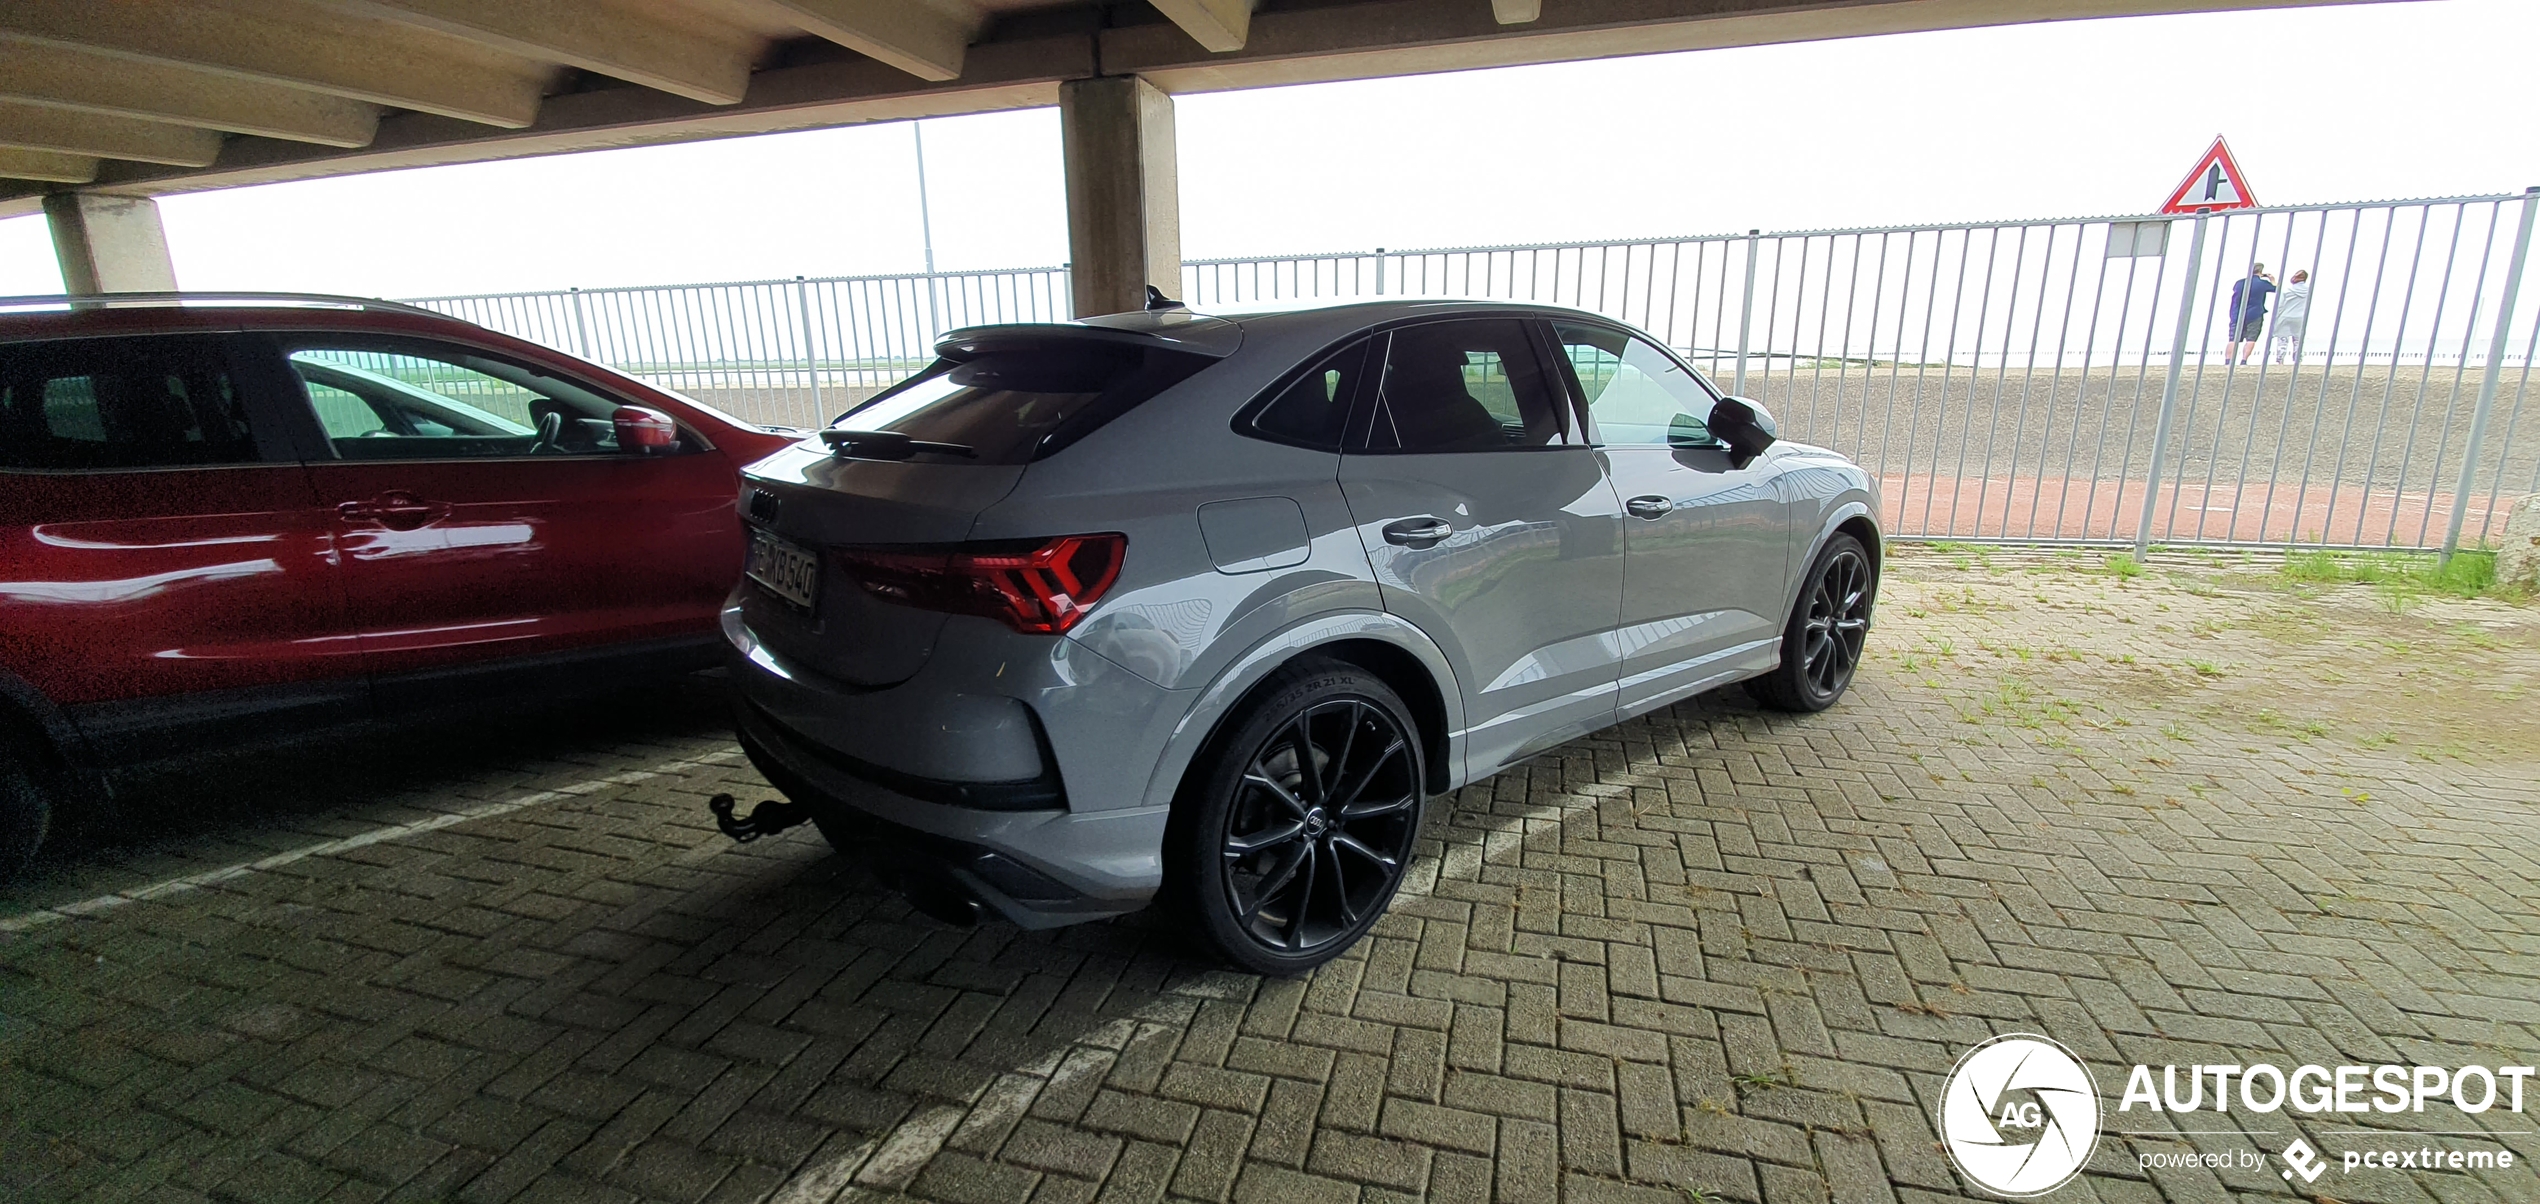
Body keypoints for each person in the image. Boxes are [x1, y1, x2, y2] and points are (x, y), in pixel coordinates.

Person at [2228, 263, 2275, 365]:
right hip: (2255, 313)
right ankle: (2244, 360)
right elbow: (2276, 289)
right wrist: (2272, 279)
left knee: (2233, 339)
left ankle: (2228, 361)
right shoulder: (2262, 283)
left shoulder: (2239, 283)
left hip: (2236, 314)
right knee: (2251, 338)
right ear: (2261, 272)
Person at [2270, 269, 2311, 365]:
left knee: (2282, 339)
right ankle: (2297, 359)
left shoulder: (2287, 290)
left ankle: (2280, 360)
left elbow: (2280, 305)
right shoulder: (2308, 290)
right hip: (2300, 317)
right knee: (2297, 339)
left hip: (2285, 316)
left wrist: (2276, 318)